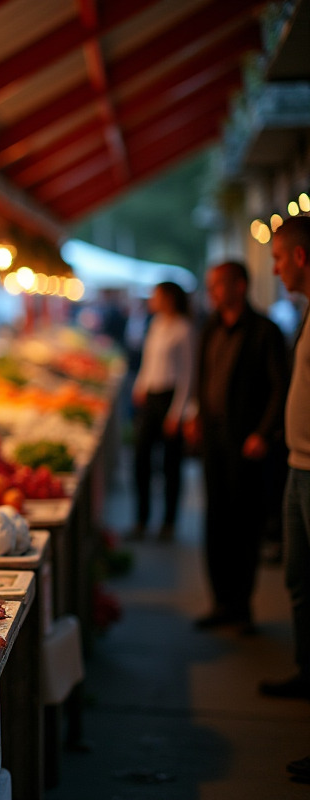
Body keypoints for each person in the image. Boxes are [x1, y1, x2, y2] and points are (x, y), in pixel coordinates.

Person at [187, 261, 288, 633]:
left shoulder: (265, 331)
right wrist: (195, 413)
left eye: (219, 285)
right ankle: (221, 602)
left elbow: (281, 386)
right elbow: (202, 376)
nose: (213, 292)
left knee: (245, 523)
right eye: (210, 285)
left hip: (246, 442)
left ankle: (243, 605)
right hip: (214, 438)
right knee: (216, 520)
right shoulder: (210, 326)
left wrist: (264, 431)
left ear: (240, 286)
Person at [263, 214, 310, 701]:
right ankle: (306, 671)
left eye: (277, 258)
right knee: (298, 580)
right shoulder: (306, 311)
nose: (274, 270)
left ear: (299, 257)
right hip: (299, 466)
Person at [131, 281, 195, 541]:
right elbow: (148, 361)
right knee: (141, 460)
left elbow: (187, 375)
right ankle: (142, 520)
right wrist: (140, 385)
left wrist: (177, 413)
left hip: (171, 399)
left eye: (156, 295)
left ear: (168, 297)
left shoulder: (184, 328)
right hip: (151, 396)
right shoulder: (156, 324)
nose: (152, 300)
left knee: (171, 465)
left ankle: (169, 522)